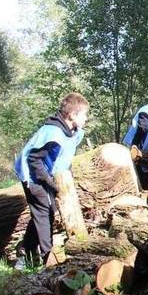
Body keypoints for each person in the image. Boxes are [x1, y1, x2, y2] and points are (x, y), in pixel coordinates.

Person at [14, 92, 89, 266]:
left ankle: (26, 250)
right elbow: (34, 160)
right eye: (83, 114)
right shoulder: (53, 132)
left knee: (45, 211)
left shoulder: (73, 131)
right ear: (72, 115)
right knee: (44, 213)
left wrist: (66, 180)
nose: (86, 118)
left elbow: (64, 157)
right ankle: (49, 259)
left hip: (50, 175)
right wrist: (50, 184)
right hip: (33, 176)